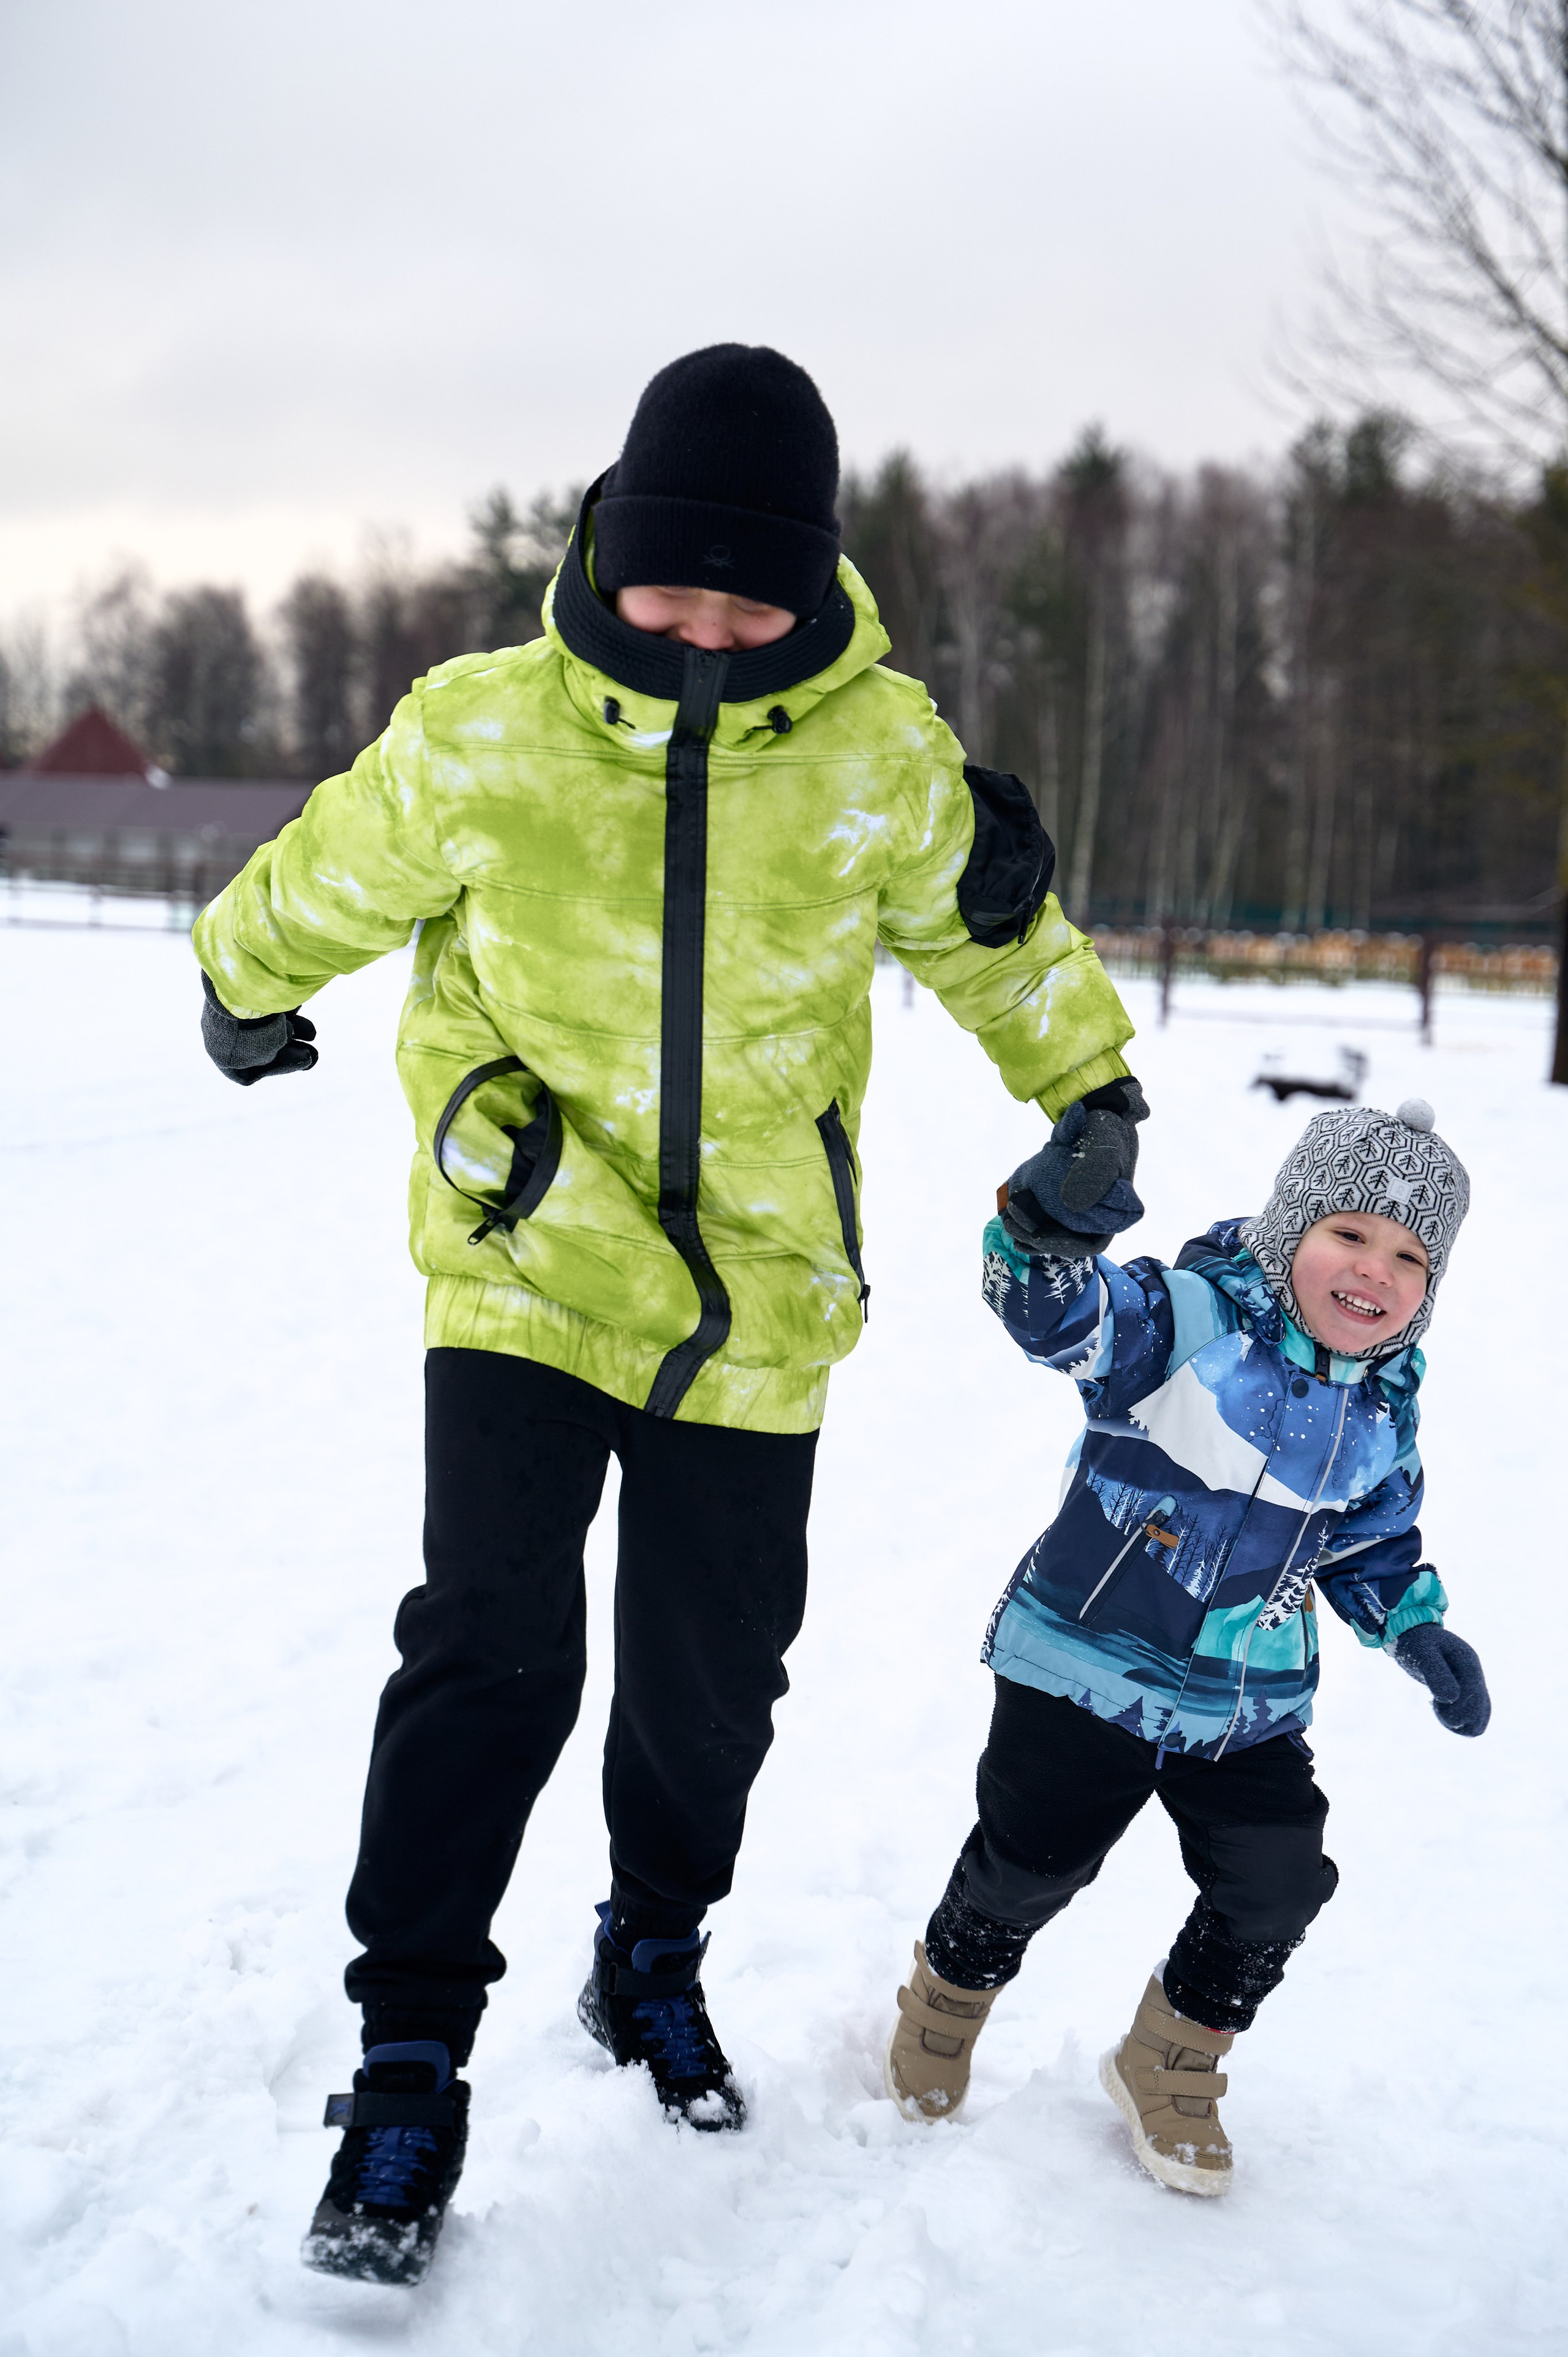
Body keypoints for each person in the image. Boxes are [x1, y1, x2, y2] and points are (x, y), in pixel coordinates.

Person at [191, 343, 1139, 2284]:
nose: (705, 626)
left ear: (814, 584)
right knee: (488, 1649)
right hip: (527, 1253)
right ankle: (407, 2058)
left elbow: (997, 939)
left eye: (751, 596)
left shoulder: (878, 755)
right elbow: (330, 864)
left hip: (766, 1299)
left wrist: (1094, 1094)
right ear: (604, 545)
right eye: (669, 584)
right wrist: (239, 977)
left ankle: (650, 1956)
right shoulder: (484, 728)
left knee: (714, 1685)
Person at [883, 1095, 1488, 2196]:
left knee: (1279, 1879)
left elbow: (1371, 1541)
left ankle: (1172, 2054)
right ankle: (950, 1992)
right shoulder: (1185, 1320)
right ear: (1290, 1228)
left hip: (1245, 1700)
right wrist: (1044, 1232)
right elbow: (1057, 1315)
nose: (1375, 1271)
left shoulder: (1386, 1410)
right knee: (1031, 1863)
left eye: (1410, 1256)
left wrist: (1414, 1625)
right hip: (1085, 1665)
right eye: (1349, 1232)